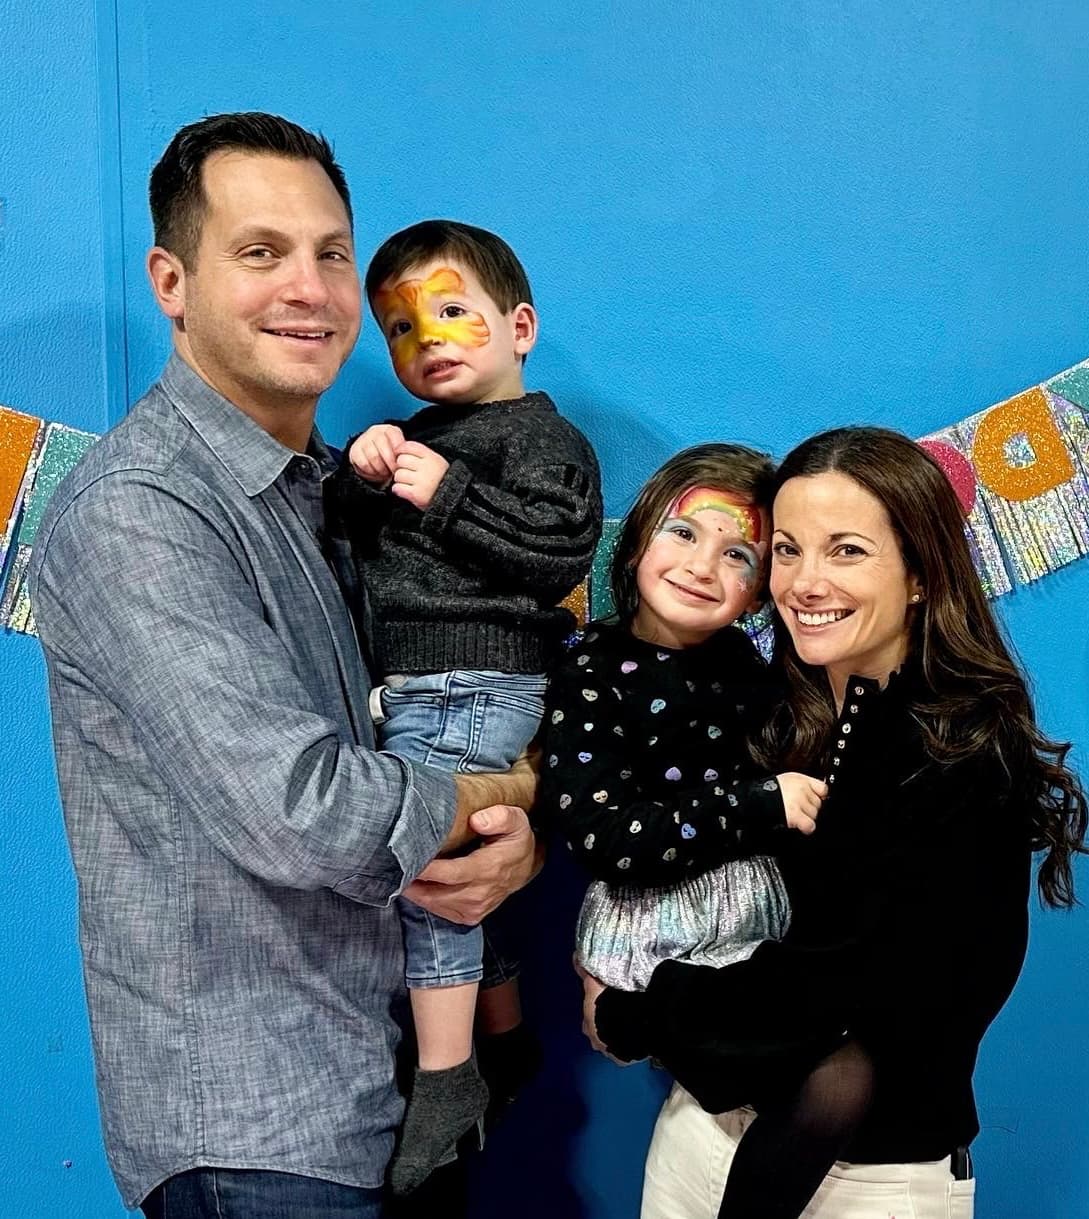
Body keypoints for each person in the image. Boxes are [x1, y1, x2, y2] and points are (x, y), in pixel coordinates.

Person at [28, 112, 540, 1219]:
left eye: (331, 252)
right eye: (260, 253)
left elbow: (427, 728)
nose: (307, 287)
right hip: (258, 1132)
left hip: (386, 1096)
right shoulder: (139, 511)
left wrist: (512, 846)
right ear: (173, 280)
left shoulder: (330, 494)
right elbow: (302, 810)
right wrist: (511, 793)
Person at [583, 426, 1087, 1219]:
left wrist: (641, 1008)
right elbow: (606, 789)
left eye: (845, 550)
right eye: (786, 550)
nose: (804, 583)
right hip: (703, 1136)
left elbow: (849, 989)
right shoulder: (785, 714)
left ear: (919, 573)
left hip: (865, 1179)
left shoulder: (960, 751)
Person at [335, 218, 602, 1194]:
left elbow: (555, 555)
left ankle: (445, 1079)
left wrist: (445, 494)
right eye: (402, 328)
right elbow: (365, 549)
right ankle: (503, 1034)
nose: (429, 339)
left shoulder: (545, 439)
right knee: (458, 873)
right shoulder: (417, 438)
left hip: (475, 679)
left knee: (433, 876)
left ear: (519, 324)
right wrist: (364, 471)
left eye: (452, 311)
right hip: (411, 683)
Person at [539, 442, 873, 1219]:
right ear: (638, 536)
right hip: (655, 929)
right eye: (683, 533)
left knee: (807, 1063)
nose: (701, 565)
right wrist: (756, 803)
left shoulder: (753, 668)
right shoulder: (593, 668)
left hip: (750, 927)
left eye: (739, 555)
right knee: (830, 1072)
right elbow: (601, 835)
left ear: (760, 590)